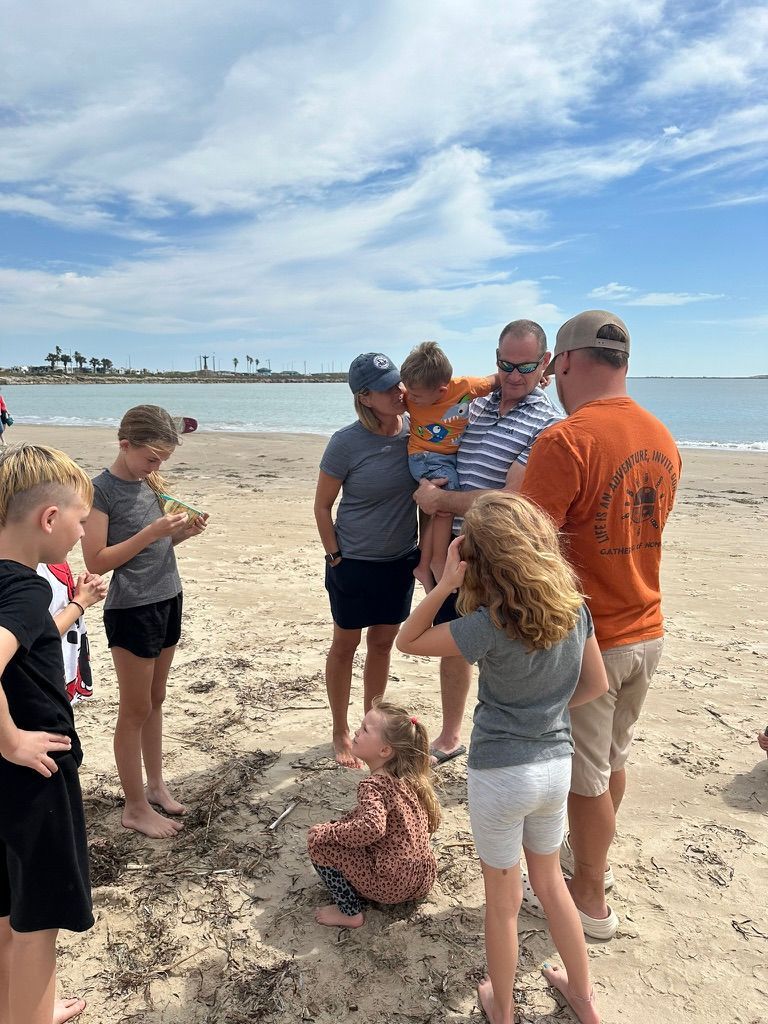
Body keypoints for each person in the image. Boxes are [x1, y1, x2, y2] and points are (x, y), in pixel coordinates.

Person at [396, 494, 608, 1024]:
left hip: (500, 772)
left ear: (481, 560)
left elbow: (408, 640)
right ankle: (582, 996)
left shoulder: (491, 623)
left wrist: (444, 583)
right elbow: (596, 684)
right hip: (554, 763)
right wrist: (547, 710)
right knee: (551, 883)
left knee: (502, 900)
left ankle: (504, 1009)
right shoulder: (574, 607)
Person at [521, 310, 681, 939]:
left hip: (593, 637)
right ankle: (595, 867)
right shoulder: (661, 436)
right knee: (612, 759)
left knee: (583, 776)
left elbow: (526, 550)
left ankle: (588, 897)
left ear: (563, 362)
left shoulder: (567, 439)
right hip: (649, 628)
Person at [413, 320, 562, 764]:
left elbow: (509, 498)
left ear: (545, 364)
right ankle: (450, 734)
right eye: (506, 365)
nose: (515, 376)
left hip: (500, 555)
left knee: (504, 652)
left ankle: (503, 741)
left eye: (527, 366)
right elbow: (431, 431)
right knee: (456, 643)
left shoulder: (548, 423)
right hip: (453, 551)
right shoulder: (475, 406)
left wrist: (440, 498)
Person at [0, 443, 96, 1024]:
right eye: (81, 521)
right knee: (39, 923)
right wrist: (10, 738)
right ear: (50, 518)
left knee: (8, 912)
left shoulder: (14, 588)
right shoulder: (25, 587)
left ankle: (21, 1006)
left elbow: (27, 643)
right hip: (33, 772)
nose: (83, 535)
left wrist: (77, 606)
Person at [82, 405, 208, 839]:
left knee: (156, 699)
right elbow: (96, 560)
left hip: (167, 597)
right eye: (151, 458)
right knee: (134, 708)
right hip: (131, 609)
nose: (157, 467)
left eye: (163, 460)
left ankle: (155, 786)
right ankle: (134, 806)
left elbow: (155, 547)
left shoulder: (149, 482)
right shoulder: (101, 490)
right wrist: (151, 533)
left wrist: (180, 534)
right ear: (124, 445)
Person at [314, 353, 419, 768]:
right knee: (346, 644)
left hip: (399, 561)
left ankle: (369, 726)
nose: (399, 392)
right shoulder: (345, 442)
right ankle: (341, 729)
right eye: (388, 387)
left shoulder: (418, 431)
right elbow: (323, 506)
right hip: (353, 562)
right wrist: (335, 555)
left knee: (381, 644)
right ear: (365, 397)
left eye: (400, 383)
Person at [307, 698, 440, 929]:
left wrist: (329, 832)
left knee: (319, 843)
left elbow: (371, 827)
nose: (357, 732)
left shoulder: (374, 784)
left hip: (391, 885)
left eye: (365, 730)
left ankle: (349, 912)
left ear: (385, 750)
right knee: (348, 829)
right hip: (421, 879)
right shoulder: (408, 778)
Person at [400, 340, 497, 587]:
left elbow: (496, 380)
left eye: (416, 396)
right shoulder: (410, 393)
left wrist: (540, 376)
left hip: (443, 457)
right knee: (446, 503)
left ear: (442, 391)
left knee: (435, 510)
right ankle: (438, 561)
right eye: (408, 392)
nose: (408, 399)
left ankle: (424, 565)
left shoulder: (464, 389)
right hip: (423, 456)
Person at [37, 563, 107, 703]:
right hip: (42, 680)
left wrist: (81, 594)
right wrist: (81, 602)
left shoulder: (51, 560)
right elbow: (37, 634)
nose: (81, 539)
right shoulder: (29, 572)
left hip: (61, 668)